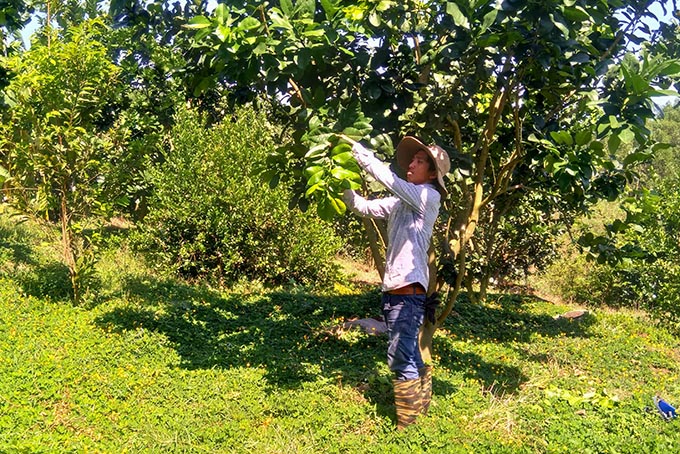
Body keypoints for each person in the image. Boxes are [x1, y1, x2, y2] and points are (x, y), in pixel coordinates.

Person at [340, 134, 450, 430]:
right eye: (412, 159)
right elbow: (363, 207)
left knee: (399, 356)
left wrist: (360, 155)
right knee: (410, 351)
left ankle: (407, 428)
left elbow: (389, 180)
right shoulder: (403, 202)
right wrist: (340, 181)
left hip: (407, 291)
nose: (411, 164)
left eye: (419, 161)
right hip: (395, 290)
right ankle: (421, 407)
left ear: (431, 173)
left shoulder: (428, 197)